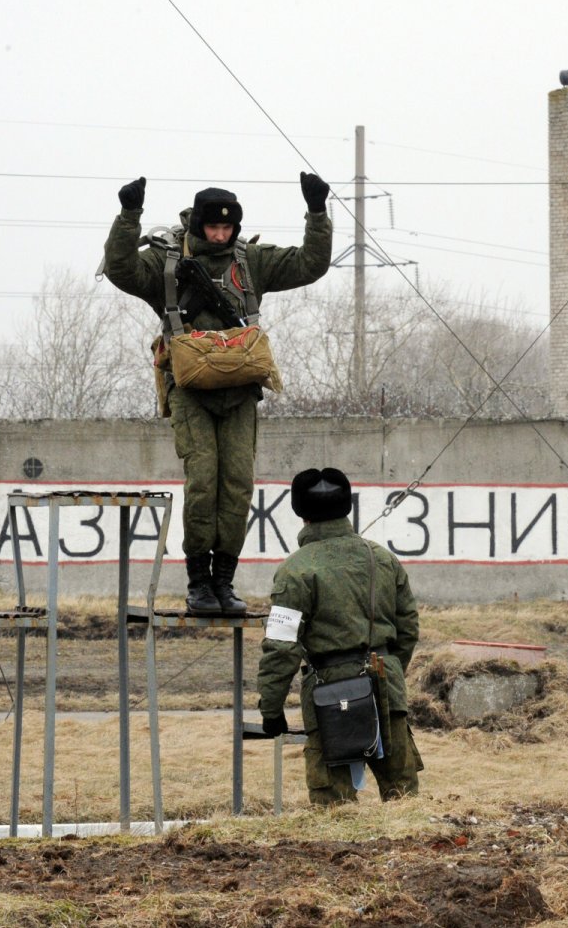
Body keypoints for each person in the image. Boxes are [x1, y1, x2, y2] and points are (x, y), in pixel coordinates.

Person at [103, 173, 333, 614]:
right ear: (199, 226)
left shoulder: (249, 262)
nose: (221, 234)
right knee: (203, 482)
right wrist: (129, 217)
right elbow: (121, 269)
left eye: (228, 228)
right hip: (191, 389)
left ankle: (224, 582)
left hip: (240, 390)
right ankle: (198, 584)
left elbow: (309, 264)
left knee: (238, 487)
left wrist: (317, 213)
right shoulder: (167, 262)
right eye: (213, 228)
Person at [256, 468, 422, 805]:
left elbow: (280, 648)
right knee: (404, 804)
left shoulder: (294, 571)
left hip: (329, 694)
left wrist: (271, 710)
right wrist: (389, 669)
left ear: (300, 513)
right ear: (347, 506)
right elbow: (408, 628)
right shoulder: (384, 559)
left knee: (335, 810)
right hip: (386, 681)